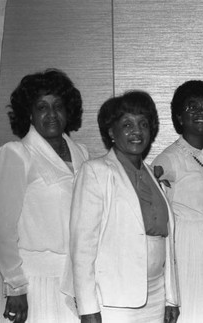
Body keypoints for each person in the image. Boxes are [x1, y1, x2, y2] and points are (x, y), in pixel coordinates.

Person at [68, 91, 180, 323]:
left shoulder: (151, 173)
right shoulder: (95, 171)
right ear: (111, 132)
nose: (137, 131)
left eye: (143, 124)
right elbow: (82, 247)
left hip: (156, 295)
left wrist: (171, 298)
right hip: (114, 300)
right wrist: (88, 308)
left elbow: (166, 243)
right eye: (127, 124)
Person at [0, 68, 89, 323]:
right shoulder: (16, 154)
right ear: (30, 114)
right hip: (34, 282)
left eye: (58, 106)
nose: (51, 114)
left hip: (79, 279)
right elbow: (3, 229)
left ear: (68, 111)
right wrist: (15, 287)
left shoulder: (83, 154)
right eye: (42, 107)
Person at [151, 80, 203, 323]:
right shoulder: (168, 159)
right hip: (189, 250)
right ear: (178, 116)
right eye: (191, 107)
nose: (201, 113)